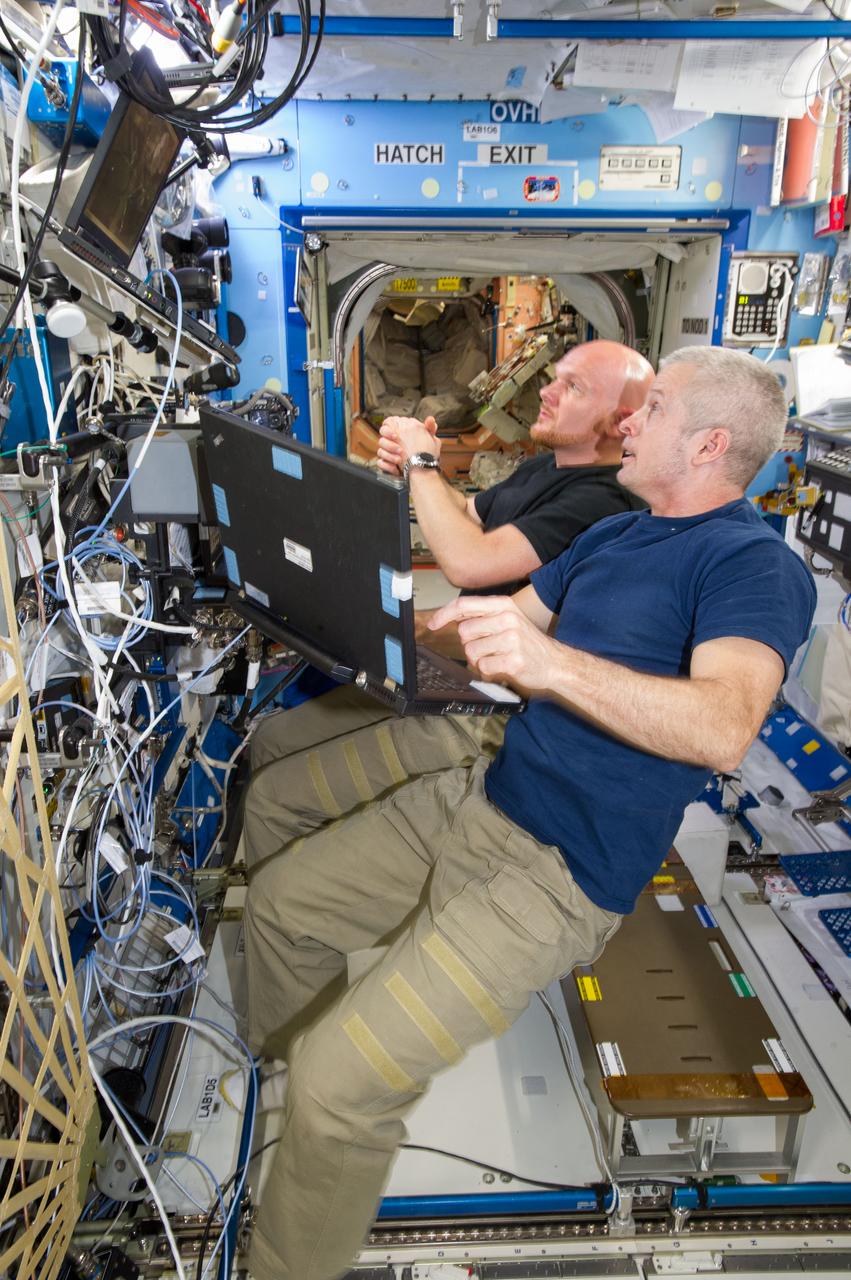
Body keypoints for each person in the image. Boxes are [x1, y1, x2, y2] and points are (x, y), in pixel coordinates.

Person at [244, 345, 816, 1280]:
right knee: (277, 909)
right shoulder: (617, 536)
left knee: (338, 1084)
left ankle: (293, 1215)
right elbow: (494, 627)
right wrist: (345, 619)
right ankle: (280, 1094)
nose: (629, 421)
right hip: (482, 797)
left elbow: (722, 726)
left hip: (556, 878)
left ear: (709, 443)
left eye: (654, 407)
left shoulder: (751, 565)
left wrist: (548, 666)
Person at [243, 339, 654, 872]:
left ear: (620, 422)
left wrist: (418, 465)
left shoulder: (601, 503)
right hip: (451, 661)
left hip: (490, 707)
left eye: (572, 387)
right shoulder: (550, 467)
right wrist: (427, 470)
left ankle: (291, 898)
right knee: (273, 739)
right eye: (554, 377)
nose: (546, 392)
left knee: (277, 795)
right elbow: (470, 513)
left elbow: (470, 563)